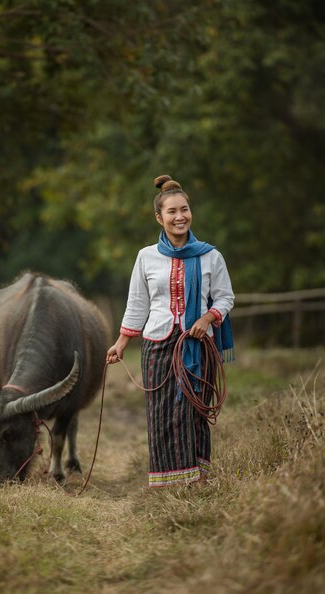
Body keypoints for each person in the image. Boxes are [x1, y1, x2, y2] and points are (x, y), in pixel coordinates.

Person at [106, 175, 235, 488]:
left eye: (185, 209)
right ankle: (170, 481)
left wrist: (207, 319)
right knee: (162, 413)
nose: (180, 217)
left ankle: (197, 478)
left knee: (194, 410)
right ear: (159, 217)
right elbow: (138, 303)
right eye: (172, 211)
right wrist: (122, 342)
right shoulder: (146, 257)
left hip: (198, 344)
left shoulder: (210, 256)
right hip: (158, 345)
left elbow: (225, 297)